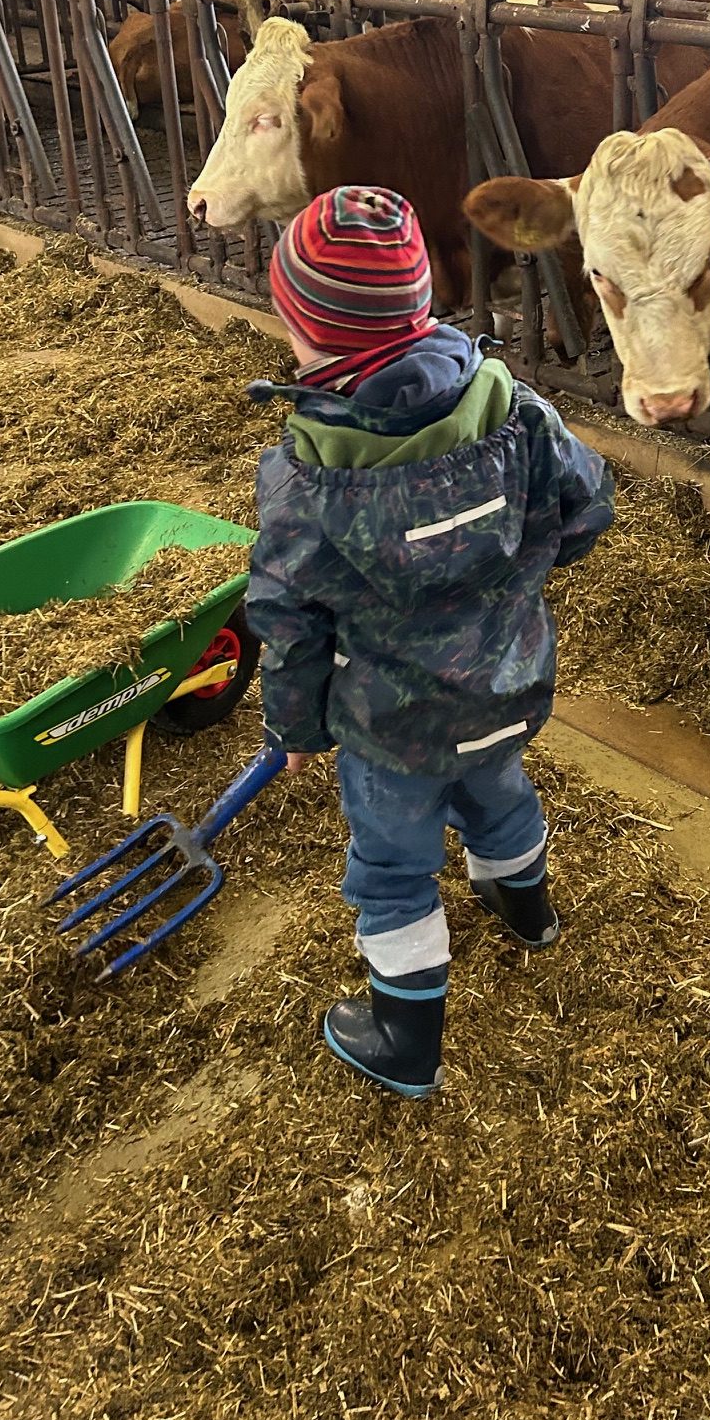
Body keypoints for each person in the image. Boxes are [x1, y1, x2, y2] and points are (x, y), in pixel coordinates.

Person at [245, 184, 613, 1099]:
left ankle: (406, 1039)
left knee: (393, 866)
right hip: (508, 685)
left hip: (392, 728)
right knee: (499, 793)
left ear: (315, 336)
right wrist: (514, 579)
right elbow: (589, 503)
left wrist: (295, 731)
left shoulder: (307, 478)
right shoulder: (513, 408)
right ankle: (527, 913)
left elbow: (286, 619)